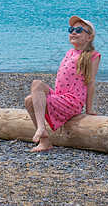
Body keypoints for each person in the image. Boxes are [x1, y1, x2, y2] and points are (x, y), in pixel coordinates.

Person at [24, 15, 101, 152]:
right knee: (30, 97)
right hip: (60, 98)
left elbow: (90, 83)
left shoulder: (92, 56)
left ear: (89, 37)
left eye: (78, 30)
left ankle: (41, 130)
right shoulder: (69, 53)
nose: (73, 32)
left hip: (72, 101)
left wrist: (88, 110)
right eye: (71, 29)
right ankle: (44, 140)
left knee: (34, 94)